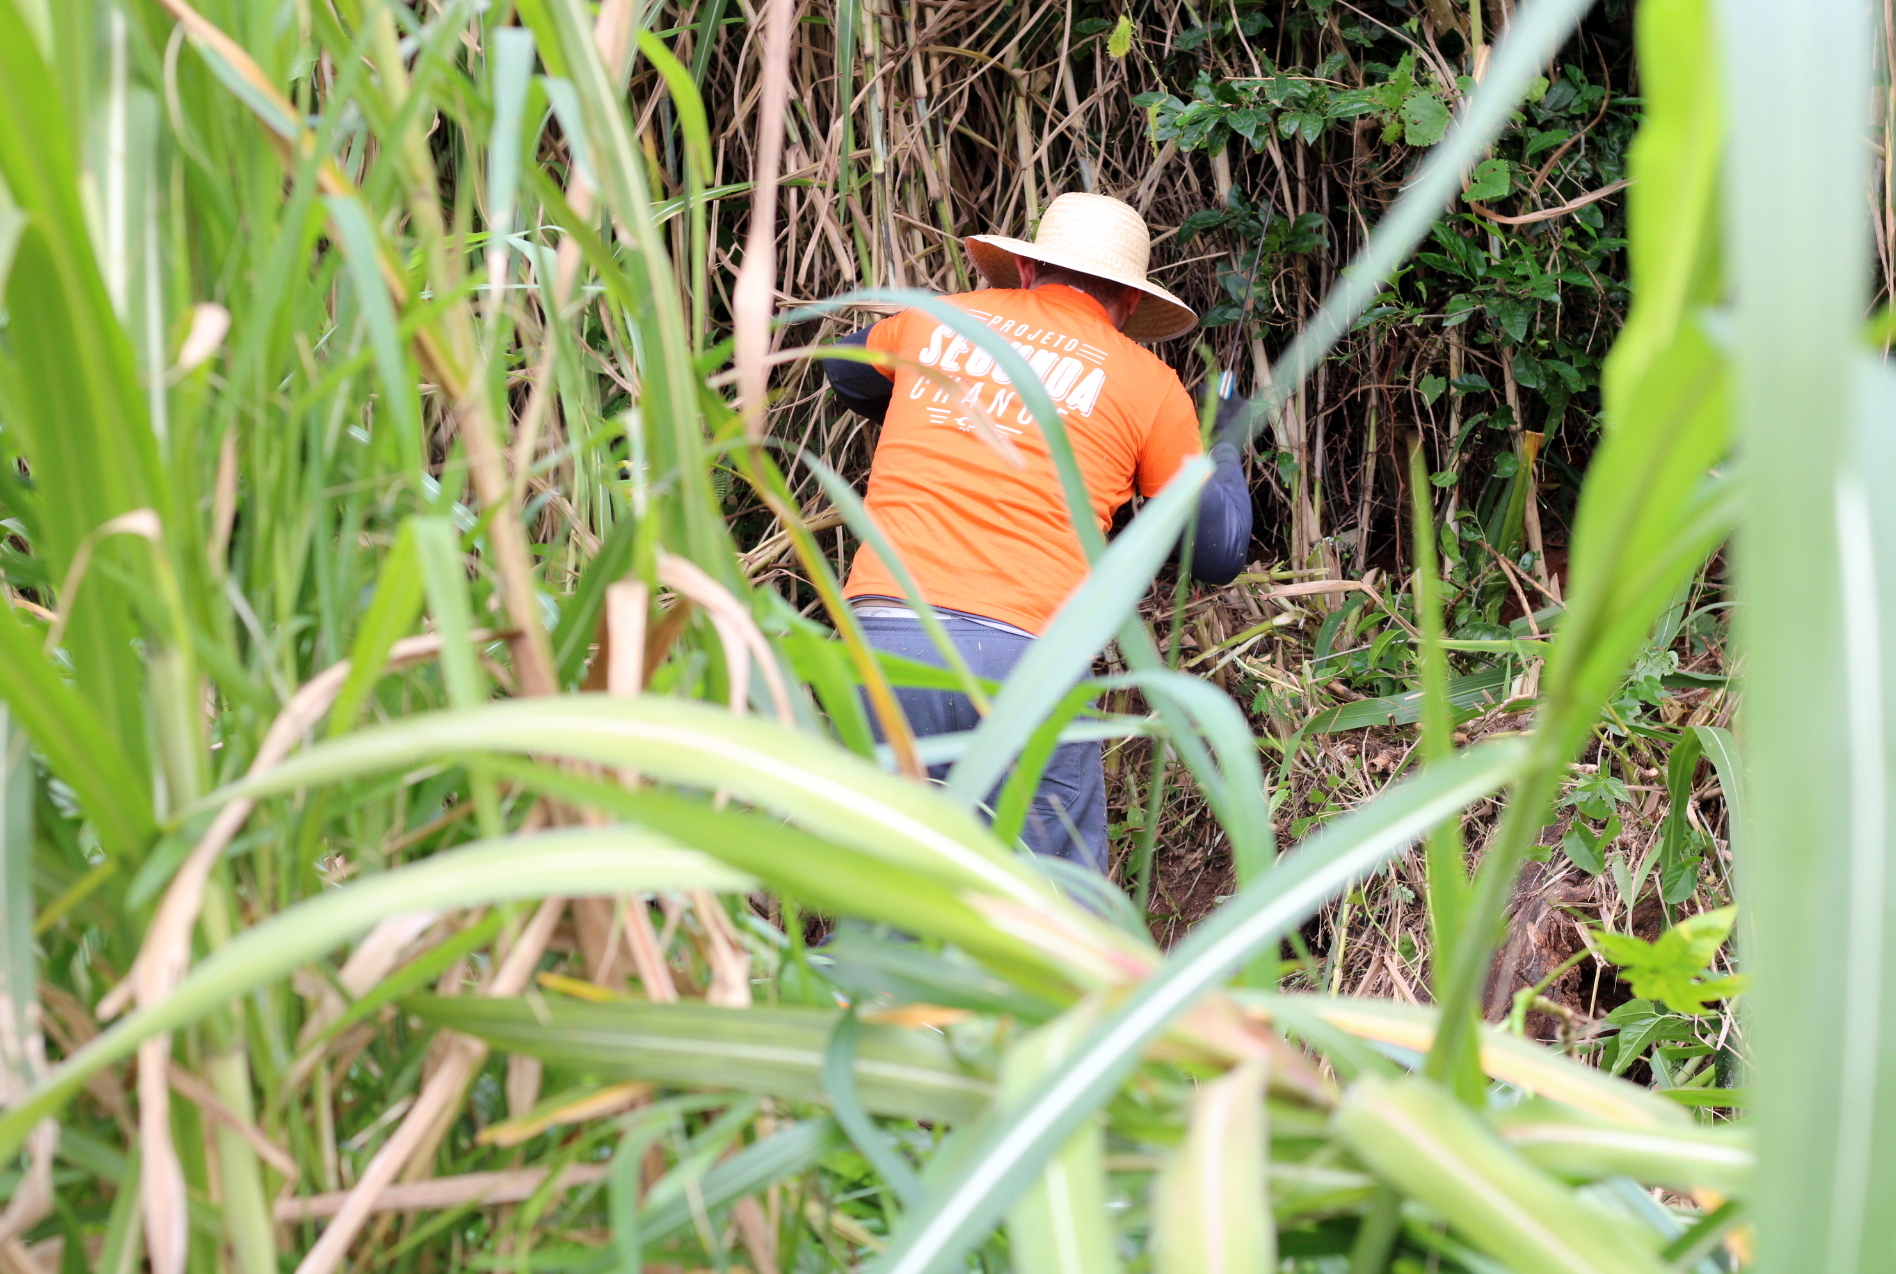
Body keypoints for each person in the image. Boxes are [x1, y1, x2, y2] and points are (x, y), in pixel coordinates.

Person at [821, 191, 1252, 871]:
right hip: (1023, 662)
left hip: (880, 644)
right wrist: (1222, 437)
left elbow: (842, 367)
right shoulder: (1147, 380)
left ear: (1024, 271)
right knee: (1054, 911)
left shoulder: (938, 322)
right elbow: (1220, 549)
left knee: (883, 892)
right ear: (1132, 303)